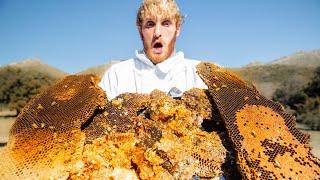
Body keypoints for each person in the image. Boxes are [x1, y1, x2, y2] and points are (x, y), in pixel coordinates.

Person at [99, 0, 208, 100]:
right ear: (140, 31)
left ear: (177, 29)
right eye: (150, 24)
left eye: (166, 23)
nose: (157, 33)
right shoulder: (116, 75)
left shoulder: (199, 74)